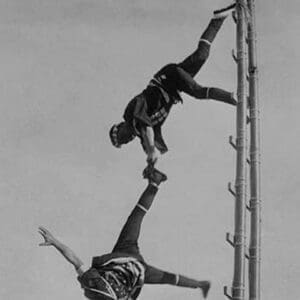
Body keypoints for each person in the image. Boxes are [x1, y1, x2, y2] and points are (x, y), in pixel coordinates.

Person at [38, 169, 210, 299]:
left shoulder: (95, 286)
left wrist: (54, 242)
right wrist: (55, 242)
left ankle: (200, 284)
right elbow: (74, 260)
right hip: (128, 257)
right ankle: (155, 182)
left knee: (169, 278)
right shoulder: (93, 284)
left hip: (136, 267)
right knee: (136, 217)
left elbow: (74, 260)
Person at [109, 3, 236, 170]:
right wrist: (151, 165)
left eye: (122, 137)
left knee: (197, 91)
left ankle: (232, 97)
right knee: (201, 56)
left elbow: (147, 130)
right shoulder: (142, 134)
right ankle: (218, 19)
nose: (127, 140)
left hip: (167, 79)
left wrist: (151, 151)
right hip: (173, 85)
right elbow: (153, 147)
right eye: (124, 143)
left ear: (120, 127)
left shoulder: (131, 115)